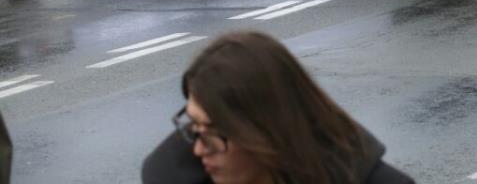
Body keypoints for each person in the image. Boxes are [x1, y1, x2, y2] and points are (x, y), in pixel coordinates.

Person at [141, 32, 414, 184]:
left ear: (267, 128)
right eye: (193, 126)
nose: (198, 149)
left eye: (213, 131)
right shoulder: (170, 176)